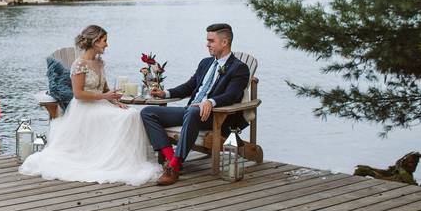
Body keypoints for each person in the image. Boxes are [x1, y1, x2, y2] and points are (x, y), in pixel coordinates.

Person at [19, 25, 162, 185]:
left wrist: (116, 101)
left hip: (101, 104)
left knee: (132, 113)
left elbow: (105, 88)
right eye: (104, 41)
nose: (107, 45)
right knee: (125, 118)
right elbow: (79, 94)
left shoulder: (99, 62)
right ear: (94, 41)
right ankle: (112, 160)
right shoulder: (79, 64)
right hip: (85, 108)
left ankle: (124, 159)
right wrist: (105, 96)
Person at [140, 23, 250, 186]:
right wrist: (166, 93)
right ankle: (171, 159)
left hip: (214, 116)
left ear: (224, 42)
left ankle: (174, 167)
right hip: (191, 111)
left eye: (211, 41)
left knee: (192, 112)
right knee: (147, 112)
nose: (207, 44)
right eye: (207, 40)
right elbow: (190, 86)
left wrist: (210, 102)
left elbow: (232, 95)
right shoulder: (205, 63)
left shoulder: (239, 68)